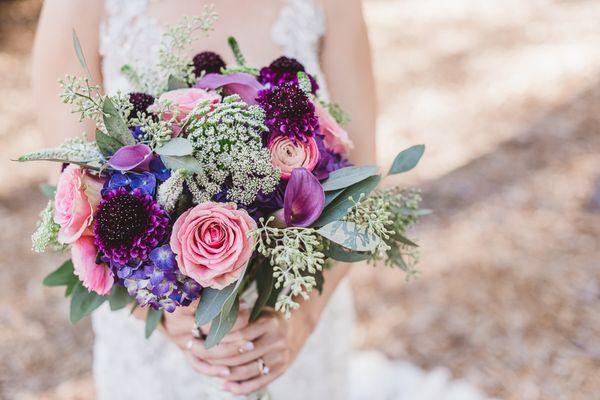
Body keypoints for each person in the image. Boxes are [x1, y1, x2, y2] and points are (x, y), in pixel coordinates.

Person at [32, 0, 376, 398]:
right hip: (160, 348)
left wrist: (300, 318)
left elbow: (363, 174)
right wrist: (158, 312)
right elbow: (73, 191)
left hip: (295, 323)